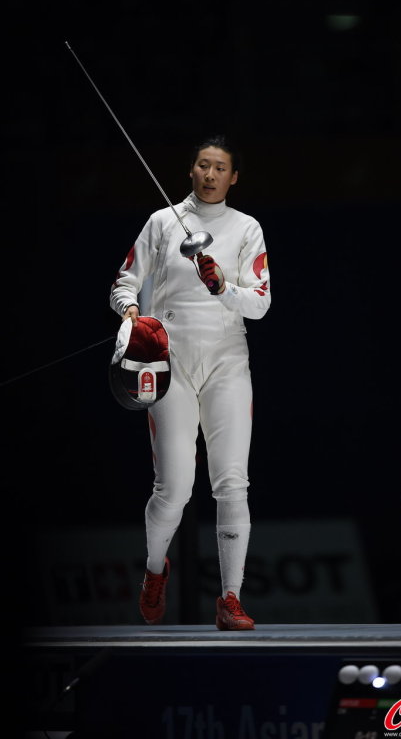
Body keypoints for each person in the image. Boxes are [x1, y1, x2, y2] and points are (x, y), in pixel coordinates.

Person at [110, 135, 270, 629]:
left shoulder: (247, 228)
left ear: (233, 176)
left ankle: (230, 599)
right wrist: (132, 314)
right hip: (170, 360)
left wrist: (222, 285)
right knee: (174, 488)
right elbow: (125, 281)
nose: (210, 174)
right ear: (191, 171)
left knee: (232, 484)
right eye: (203, 165)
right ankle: (156, 571)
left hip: (227, 360)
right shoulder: (162, 222)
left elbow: (260, 303)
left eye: (220, 167)